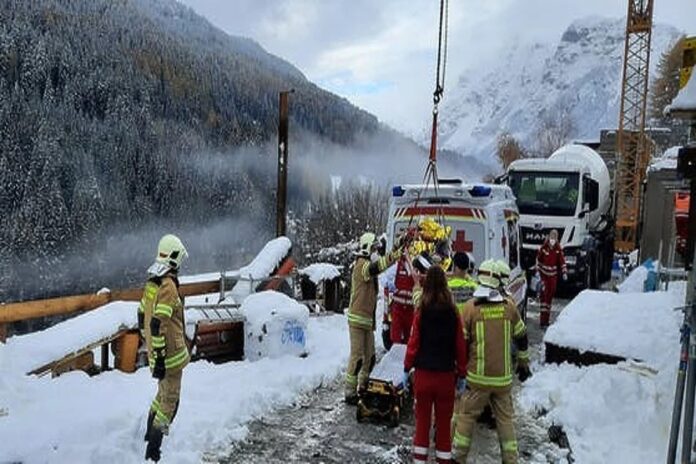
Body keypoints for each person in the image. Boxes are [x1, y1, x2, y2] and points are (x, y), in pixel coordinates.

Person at [452, 260, 531, 464]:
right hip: (503, 380)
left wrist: (458, 371)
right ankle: (510, 459)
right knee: (505, 420)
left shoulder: (470, 308)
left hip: (477, 378)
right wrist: (523, 365)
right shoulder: (509, 307)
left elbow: (461, 344)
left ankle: (457, 458)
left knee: (466, 418)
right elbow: (522, 337)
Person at [404, 265, 468, 464]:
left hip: (423, 376)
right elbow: (460, 345)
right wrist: (463, 373)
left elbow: (413, 343)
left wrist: (407, 368)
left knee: (422, 425)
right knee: (443, 427)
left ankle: (419, 461)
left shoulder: (422, 311)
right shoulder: (452, 312)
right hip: (446, 378)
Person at [139, 234, 190, 462]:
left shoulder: (152, 282)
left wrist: (148, 342)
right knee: (170, 402)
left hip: (157, 353)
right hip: (170, 357)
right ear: (174, 258)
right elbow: (158, 322)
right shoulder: (168, 285)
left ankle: (148, 435)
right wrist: (160, 359)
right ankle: (153, 450)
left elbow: (142, 315)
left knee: (161, 395)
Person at [344, 232, 401, 404]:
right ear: (367, 248)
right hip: (357, 319)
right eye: (375, 248)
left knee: (370, 357)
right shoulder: (362, 265)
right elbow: (378, 266)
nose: (377, 250)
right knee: (358, 357)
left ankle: (363, 386)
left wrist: (397, 247)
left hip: (367, 320)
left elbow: (379, 263)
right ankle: (350, 392)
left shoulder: (367, 263)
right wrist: (396, 255)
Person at [535, 229, 567, 328]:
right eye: (551, 237)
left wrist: (564, 272)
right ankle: (542, 321)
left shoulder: (558, 249)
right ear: (549, 237)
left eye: (555, 237)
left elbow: (562, 261)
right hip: (544, 276)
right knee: (544, 298)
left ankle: (546, 320)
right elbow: (538, 260)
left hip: (552, 277)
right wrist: (537, 272)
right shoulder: (544, 248)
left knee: (549, 298)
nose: (552, 239)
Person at [390, 253, 416, 344]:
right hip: (398, 308)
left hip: (410, 309)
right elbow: (387, 281)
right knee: (395, 336)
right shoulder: (397, 265)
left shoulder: (416, 265)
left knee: (409, 338)